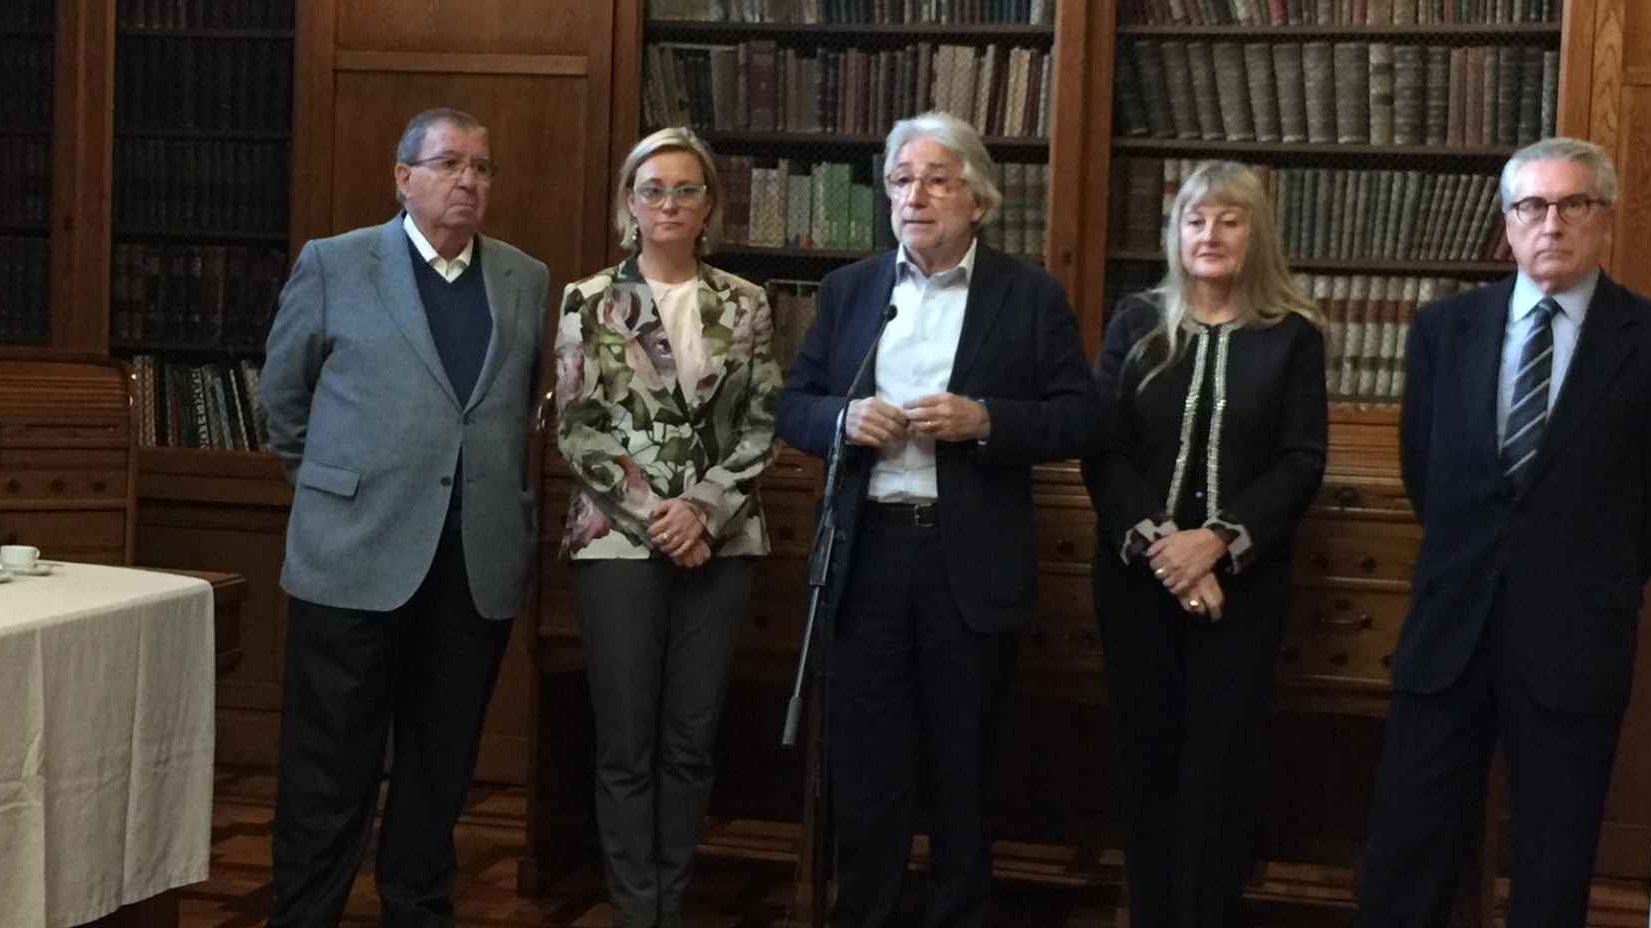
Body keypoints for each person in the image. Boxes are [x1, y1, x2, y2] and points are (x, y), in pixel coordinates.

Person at [1355, 137, 1651, 927]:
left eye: (1572, 204)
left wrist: (1584, 569)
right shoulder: (1445, 330)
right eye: (1531, 206)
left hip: (1575, 637)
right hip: (1449, 633)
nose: (1551, 223)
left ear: (1604, 219)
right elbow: (1425, 471)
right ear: (1506, 224)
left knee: (1553, 861)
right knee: (1408, 850)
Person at [776, 111, 1097, 928]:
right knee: (867, 767)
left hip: (970, 562)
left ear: (978, 200)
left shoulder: (1027, 296)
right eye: (900, 180)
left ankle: (959, 912)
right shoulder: (853, 290)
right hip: (868, 556)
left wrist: (986, 420)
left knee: (964, 764)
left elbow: (1079, 417)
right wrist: (844, 423)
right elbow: (796, 404)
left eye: (936, 179)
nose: (914, 196)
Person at [259, 107, 549, 926]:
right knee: (328, 768)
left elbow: (518, 406)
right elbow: (284, 397)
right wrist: (336, 484)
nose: (469, 181)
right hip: (352, 557)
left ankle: (417, 911)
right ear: (404, 177)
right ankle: (305, 913)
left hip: (473, 566)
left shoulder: (524, 278)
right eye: (451, 163)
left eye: (483, 168)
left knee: (440, 765)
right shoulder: (336, 264)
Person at [1082, 161, 1328, 928]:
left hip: (1243, 589)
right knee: (1145, 761)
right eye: (1195, 220)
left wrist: (1215, 545)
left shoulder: (1293, 336)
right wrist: (1168, 551)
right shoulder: (1135, 322)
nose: (1210, 235)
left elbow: (1301, 460)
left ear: (1256, 235)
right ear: (1175, 234)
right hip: (1135, 581)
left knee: (1219, 772)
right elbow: (1102, 448)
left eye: (1229, 219)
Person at [552, 126, 782, 928]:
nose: (670, 203)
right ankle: (634, 909)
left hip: (721, 544)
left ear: (710, 204)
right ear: (629, 203)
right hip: (619, 541)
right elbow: (579, 428)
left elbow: (763, 424)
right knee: (625, 743)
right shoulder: (586, 301)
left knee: (691, 738)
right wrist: (659, 513)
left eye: (687, 189)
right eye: (654, 190)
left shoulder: (747, 302)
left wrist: (703, 513)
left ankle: (671, 902)